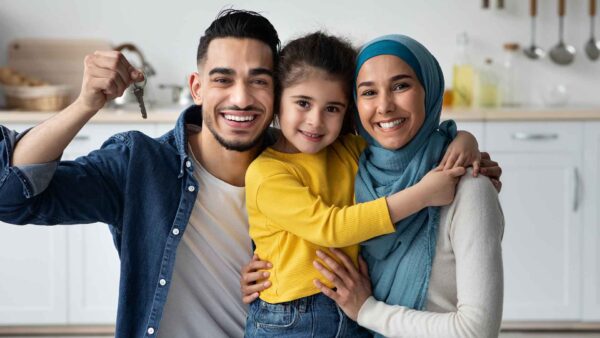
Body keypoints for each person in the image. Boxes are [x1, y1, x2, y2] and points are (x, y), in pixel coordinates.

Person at [0, 9, 280, 338]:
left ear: (277, 92)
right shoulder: (140, 165)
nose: (241, 98)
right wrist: (85, 104)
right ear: (197, 87)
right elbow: (11, 198)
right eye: (223, 79)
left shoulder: (305, 168)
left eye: (258, 81)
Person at [240, 33, 503, 337]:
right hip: (293, 314)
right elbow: (331, 226)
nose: (315, 120)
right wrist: (421, 195)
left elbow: (476, 330)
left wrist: (463, 139)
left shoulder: (353, 152)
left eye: (332, 108)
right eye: (302, 103)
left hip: (351, 314)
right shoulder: (272, 171)